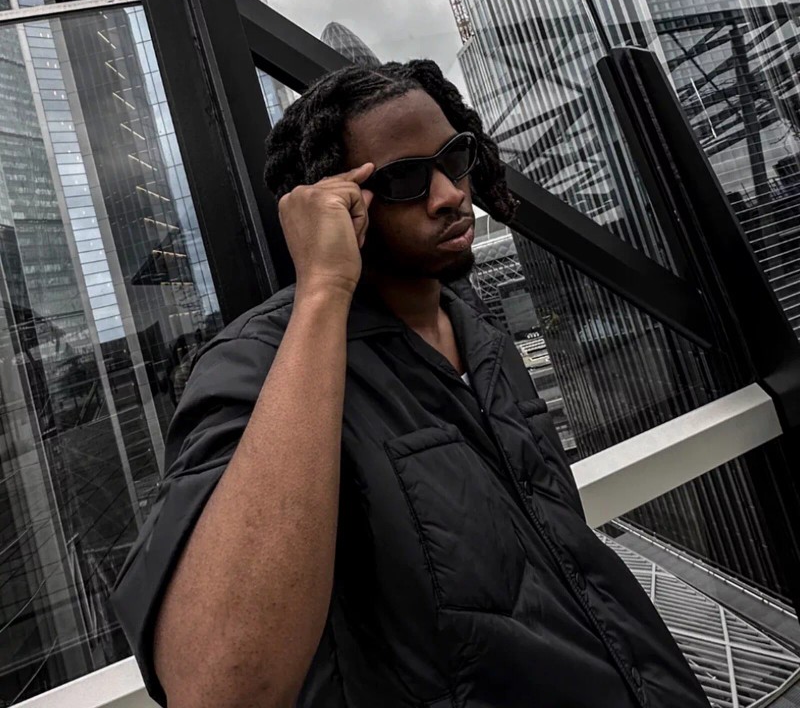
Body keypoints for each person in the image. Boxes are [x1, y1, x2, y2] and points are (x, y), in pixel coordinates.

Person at [111, 59, 710, 708]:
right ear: (340, 204)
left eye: (454, 158)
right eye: (403, 179)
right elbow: (219, 689)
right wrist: (323, 289)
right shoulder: (261, 361)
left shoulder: (478, 330)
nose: (451, 194)